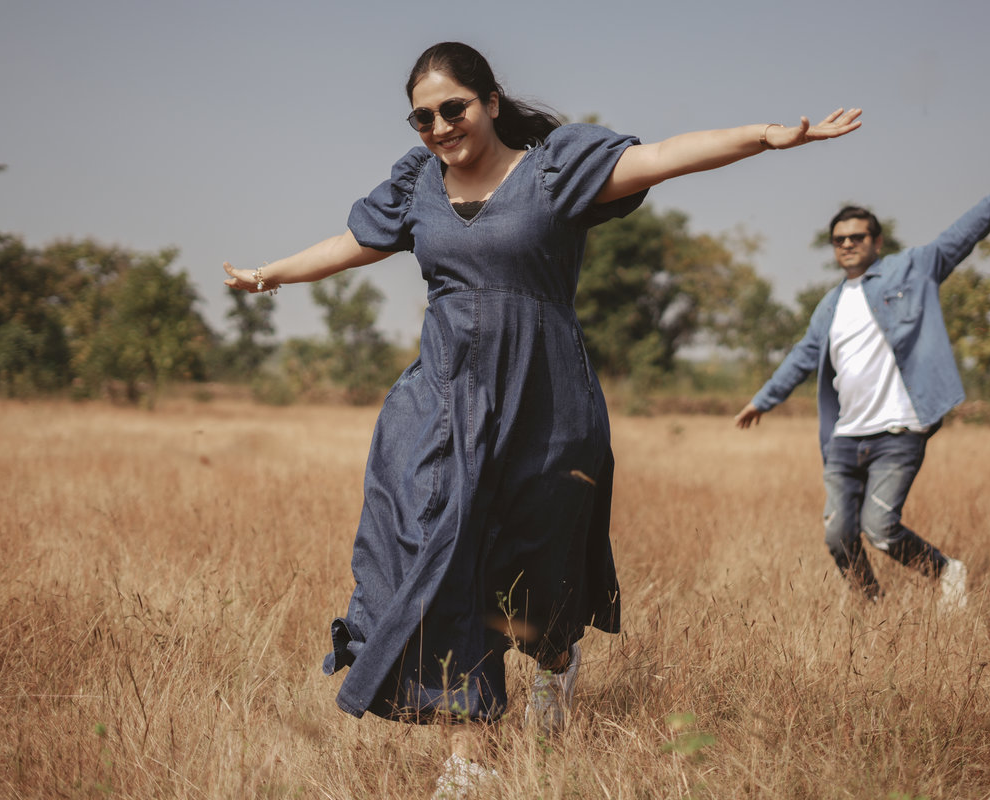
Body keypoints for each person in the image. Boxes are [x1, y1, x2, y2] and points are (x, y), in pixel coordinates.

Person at [224, 41, 861, 797]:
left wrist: (766, 137)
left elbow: (661, 157)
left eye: (453, 108)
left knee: (535, 565)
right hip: (441, 403)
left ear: (491, 102)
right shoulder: (417, 185)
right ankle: (467, 754)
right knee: (439, 551)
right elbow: (351, 243)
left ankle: (556, 658)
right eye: (422, 117)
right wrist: (267, 274)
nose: (439, 126)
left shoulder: (553, 172)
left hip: (545, 401)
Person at [734, 146, 990, 613]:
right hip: (845, 436)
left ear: (877, 241)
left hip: (899, 430)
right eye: (839, 239)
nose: (847, 244)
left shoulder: (914, 268)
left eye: (857, 236)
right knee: (838, 535)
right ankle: (874, 609)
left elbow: (966, 232)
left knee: (881, 529)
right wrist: (763, 399)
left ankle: (946, 571)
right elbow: (804, 355)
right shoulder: (829, 305)